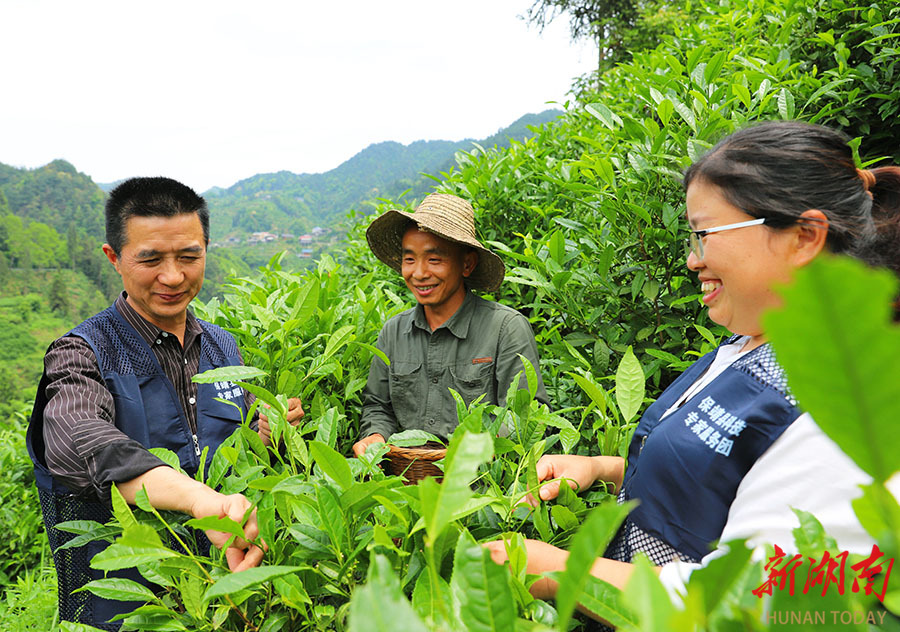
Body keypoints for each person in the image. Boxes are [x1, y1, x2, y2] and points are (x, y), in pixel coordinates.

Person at [485, 121, 900, 614]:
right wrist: (602, 469)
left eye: (706, 234)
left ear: (804, 237)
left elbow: (748, 604)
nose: (691, 259)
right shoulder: (749, 346)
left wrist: (556, 570)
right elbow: (722, 476)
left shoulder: (845, 404)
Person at [27, 177, 304, 630]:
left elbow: (225, 437)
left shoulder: (221, 347)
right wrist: (197, 499)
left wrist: (268, 432)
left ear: (206, 250)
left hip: (220, 590)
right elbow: (79, 441)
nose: (173, 276)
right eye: (150, 259)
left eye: (189, 256)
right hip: (127, 604)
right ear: (114, 258)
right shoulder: (80, 352)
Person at [352, 193, 549, 457]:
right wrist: (375, 436)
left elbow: (527, 417)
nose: (419, 273)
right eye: (409, 259)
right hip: (402, 483)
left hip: (480, 487)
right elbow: (378, 407)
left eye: (434, 260)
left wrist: (467, 451)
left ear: (467, 264)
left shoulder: (505, 328)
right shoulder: (394, 332)